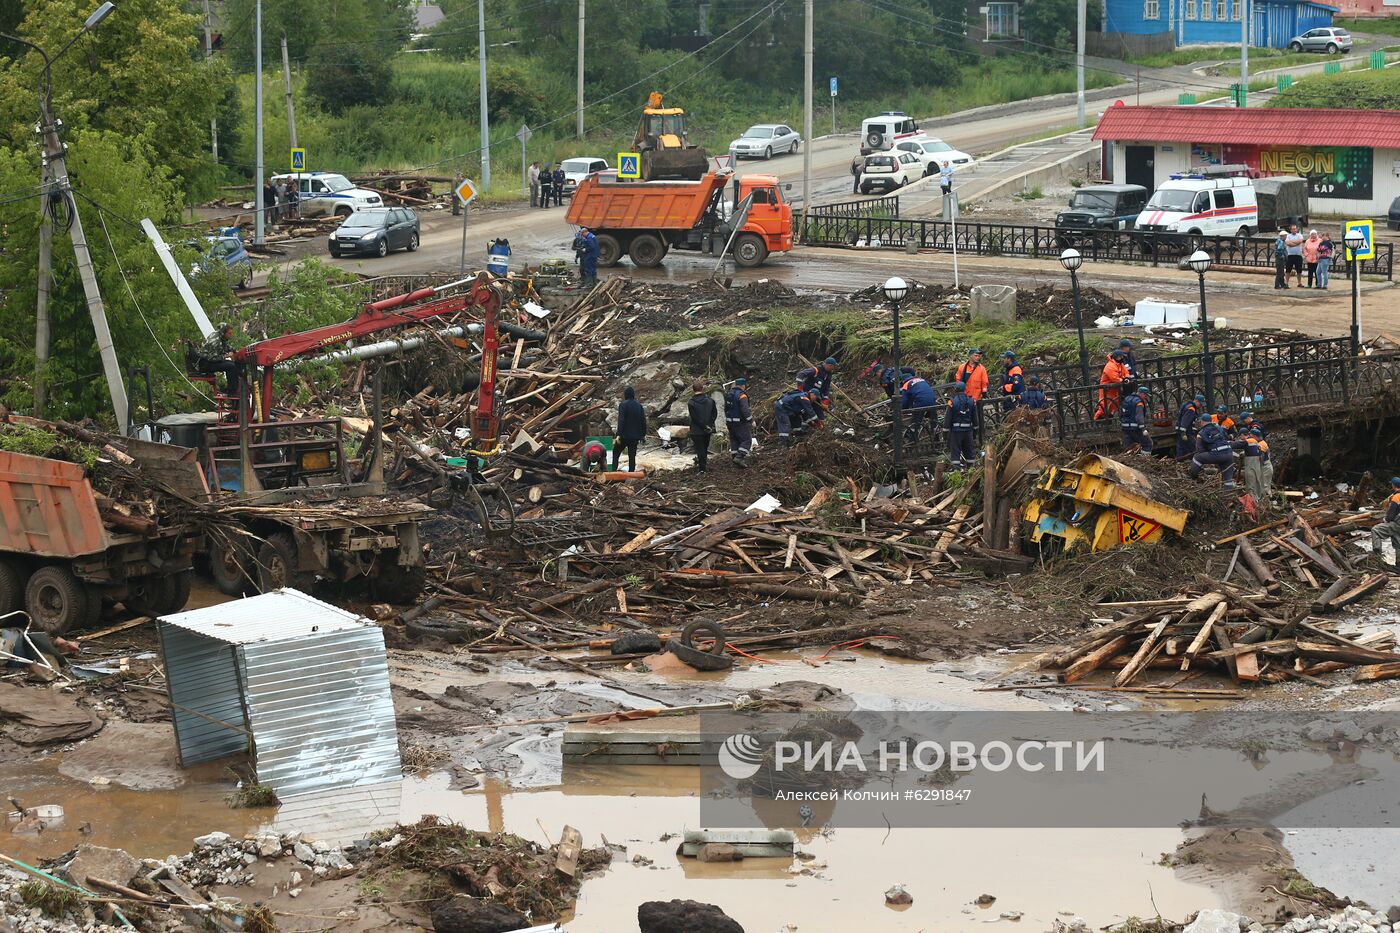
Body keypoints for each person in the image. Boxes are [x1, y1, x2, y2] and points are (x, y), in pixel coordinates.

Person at [1188, 416, 1235, 489]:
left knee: (1197, 457)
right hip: (1229, 453)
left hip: (1217, 454)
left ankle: (1193, 476)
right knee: (1228, 478)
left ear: (1202, 422)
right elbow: (1226, 437)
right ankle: (1228, 494)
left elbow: (1199, 449)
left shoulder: (1201, 432)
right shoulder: (1219, 428)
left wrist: (1208, 454)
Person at [195, 321, 240, 393]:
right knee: (231, 366)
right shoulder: (215, 341)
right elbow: (212, 358)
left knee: (233, 364)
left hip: (210, 361)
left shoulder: (220, 336)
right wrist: (226, 356)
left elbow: (226, 346)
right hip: (205, 364)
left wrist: (236, 352)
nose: (230, 335)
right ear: (223, 332)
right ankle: (232, 391)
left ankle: (234, 388)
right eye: (229, 333)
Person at [944, 380, 978, 469]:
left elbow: (948, 419)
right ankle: (972, 471)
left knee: (955, 453)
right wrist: (975, 431)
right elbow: (975, 418)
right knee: (969, 452)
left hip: (956, 431)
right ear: (965, 389)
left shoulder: (952, 402)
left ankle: (956, 472)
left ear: (955, 390)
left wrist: (945, 433)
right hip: (968, 431)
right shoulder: (971, 401)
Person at [1237, 426, 1272, 510]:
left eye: (1251, 435)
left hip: (1265, 467)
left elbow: (1259, 455)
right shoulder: (1258, 443)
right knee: (1259, 485)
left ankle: (1266, 504)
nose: (1250, 437)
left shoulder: (1262, 444)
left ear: (1255, 436)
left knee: (1264, 486)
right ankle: (1260, 502)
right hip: (1261, 467)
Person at [687, 378, 717, 473]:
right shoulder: (710, 401)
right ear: (702, 388)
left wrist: (703, 426)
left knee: (700, 449)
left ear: (693, 389)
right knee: (705, 447)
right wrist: (709, 425)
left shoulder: (691, 402)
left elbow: (694, 418)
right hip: (707, 430)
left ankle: (702, 469)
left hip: (696, 430)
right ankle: (704, 465)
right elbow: (714, 414)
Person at [613, 386, 646, 471]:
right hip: (635, 437)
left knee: (616, 453)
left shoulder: (623, 405)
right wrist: (643, 434)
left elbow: (621, 420)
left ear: (625, 395)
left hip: (624, 436)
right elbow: (643, 421)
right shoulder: (639, 406)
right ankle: (631, 474)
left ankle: (613, 472)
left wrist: (618, 434)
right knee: (632, 456)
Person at [900, 370, 938, 442]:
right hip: (932, 400)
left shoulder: (906, 385)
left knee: (915, 422)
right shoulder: (922, 380)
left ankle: (913, 441)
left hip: (920, 402)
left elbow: (905, 401)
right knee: (934, 421)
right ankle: (937, 440)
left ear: (903, 381)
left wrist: (903, 410)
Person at [1371, 477, 1400, 571]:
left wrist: (1385, 520)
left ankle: (1377, 557)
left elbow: (1391, 514)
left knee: (1376, 530)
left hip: (1397, 524)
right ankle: (1398, 566)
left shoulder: (1396, 497)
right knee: (1398, 541)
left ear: (1393, 485)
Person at [724, 377, 753, 466]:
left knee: (734, 440)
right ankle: (739, 457)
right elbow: (745, 409)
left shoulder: (729, 394)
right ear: (743, 385)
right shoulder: (742, 395)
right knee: (747, 440)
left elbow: (726, 408)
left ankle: (734, 458)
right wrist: (750, 420)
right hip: (740, 422)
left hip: (730, 422)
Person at [1094, 350, 1130, 420]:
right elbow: (1114, 378)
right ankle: (1095, 420)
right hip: (1106, 389)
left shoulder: (1120, 364)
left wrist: (1126, 377)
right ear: (1117, 357)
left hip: (1114, 388)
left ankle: (1108, 420)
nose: (1122, 358)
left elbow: (1126, 372)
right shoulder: (1110, 366)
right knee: (1103, 406)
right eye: (1121, 357)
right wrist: (1123, 380)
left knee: (1114, 404)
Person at [1118, 386, 1152, 454]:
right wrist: (1143, 429)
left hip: (1125, 428)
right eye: (1145, 395)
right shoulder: (1139, 403)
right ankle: (1144, 459)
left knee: (1128, 447)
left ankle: (1128, 461)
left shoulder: (1127, 399)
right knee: (1147, 444)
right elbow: (1139, 417)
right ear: (1141, 393)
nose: (1146, 397)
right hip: (1135, 428)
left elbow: (1120, 413)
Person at [1175, 393, 1206, 458]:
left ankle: (1180, 460)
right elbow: (1185, 421)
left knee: (1181, 447)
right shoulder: (1191, 409)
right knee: (1194, 447)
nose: (1201, 406)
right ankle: (1197, 460)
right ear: (1196, 401)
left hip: (1180, 430)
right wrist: (1183, 433)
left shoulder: (1187, 405)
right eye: (1200, 404)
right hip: (1186, 432)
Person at [1285, 224, 1306, 288]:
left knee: (1299, 270)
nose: (1294, 230)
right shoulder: (1288, 236)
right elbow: (1288, 243)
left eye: (1295, 229)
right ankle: (1286, 283)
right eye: (1292, 229)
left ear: (1297, 229)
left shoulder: (1300, 235)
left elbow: (1300, 241)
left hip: (1298, 255)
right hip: (1290, 255)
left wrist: (1292, 242)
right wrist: (1296, 243)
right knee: (1288, 270)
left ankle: (1299, 283)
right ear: (1290, 230)